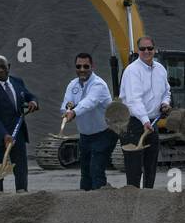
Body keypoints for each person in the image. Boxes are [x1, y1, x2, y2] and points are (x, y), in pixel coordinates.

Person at [0, 55, 38, 192]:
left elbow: (29, 95)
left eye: (3, 67)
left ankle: (22, 195)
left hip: (18, 133)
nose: (0, 70)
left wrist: (33, 101)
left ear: (9, 67)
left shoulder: (18, 82)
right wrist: (4, 135)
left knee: (21, 169)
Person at [121, 35, 170, 189]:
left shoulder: (160, 69)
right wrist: (144, 120)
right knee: (134, 169)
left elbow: (166, 91)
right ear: (138, 50)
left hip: (152, 123)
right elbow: (134, 100)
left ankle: (148, 197)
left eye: (150, 48)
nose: (147, 51)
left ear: (154, 50)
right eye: (143, 49)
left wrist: (164, 103)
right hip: (135, 124)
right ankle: (133, 198)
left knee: (151, 167)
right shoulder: (132, 71)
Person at [62, 52, 113, 191]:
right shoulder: (73, 85)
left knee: (96, 170)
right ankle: (84, 203)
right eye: (79, 66)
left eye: (86, 66)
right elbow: (67, 103)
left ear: (92, 66)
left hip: (103, 134)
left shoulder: (99, 85)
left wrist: (74, 112)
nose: (82, 69)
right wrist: (67, 110)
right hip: (85, 135)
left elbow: (89, 102)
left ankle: (99, 202)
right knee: (85, 173)